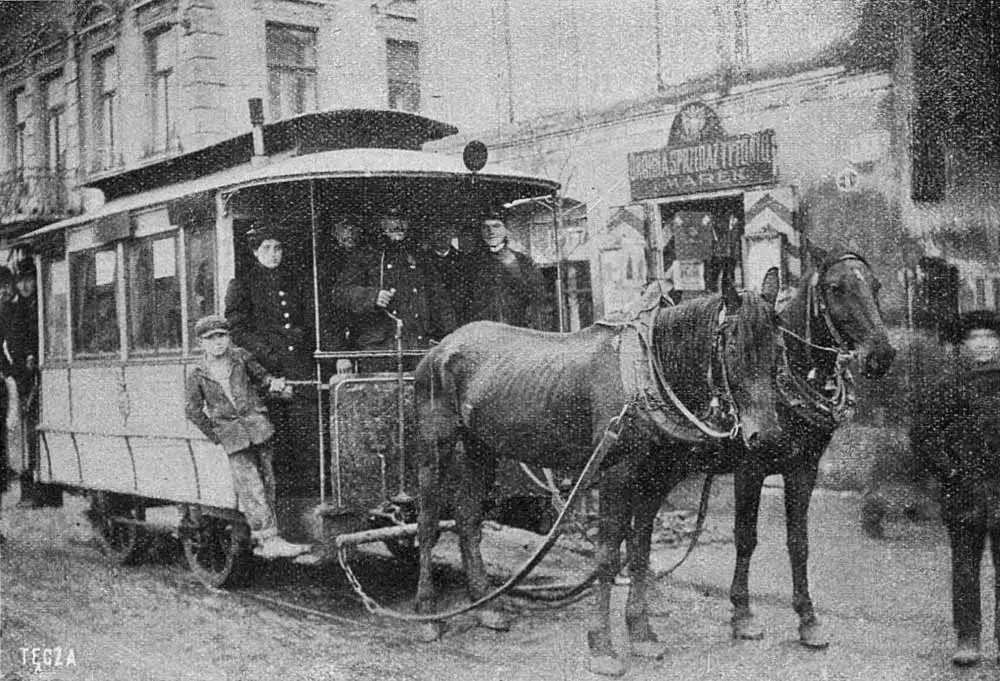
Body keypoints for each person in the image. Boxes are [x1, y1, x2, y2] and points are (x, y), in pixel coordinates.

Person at [911, 310, 1000, 666]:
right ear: (963, 346)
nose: (982, 345)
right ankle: (967, 638)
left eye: (989, 338)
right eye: (974, 339)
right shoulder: (948, 386)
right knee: (965, 566)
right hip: (964, 492)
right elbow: (922, 436)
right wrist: (951, 472)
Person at [185, 315, 310, 559]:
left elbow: (262, 377)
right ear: (201, 343)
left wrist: (273, 383)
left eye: (222, 336)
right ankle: (267, 538)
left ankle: (272, 537)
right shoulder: (198, 374)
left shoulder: (241, 357)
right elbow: (192, 410)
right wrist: (217, 434)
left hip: (258, 428)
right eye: (211, 339)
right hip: (234, 438)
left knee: (269, 481)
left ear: (229, 338)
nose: (218, 343)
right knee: (251, 487)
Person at [332, 207, 456, 355]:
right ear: (382, 224)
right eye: (392, 219)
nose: (398, 225)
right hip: (378, 347)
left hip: (418, 343)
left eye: (402, 220)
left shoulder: (420, 257)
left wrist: (449, 338)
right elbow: (340, 293)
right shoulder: (366, 255)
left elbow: (440, 301)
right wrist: (371, 296)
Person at [4, 259, 61, 509]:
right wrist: (13, 369)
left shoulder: (45, 303)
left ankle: (49, 490)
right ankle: (29, 489)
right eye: (21, 281)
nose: (25, 285)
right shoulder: (12, 310)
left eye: (29, 279)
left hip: (42, 372)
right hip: (23, 378)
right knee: (27, 433)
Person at [465, 212, 548, 329]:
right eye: (485, 227)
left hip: (516, 329)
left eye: (496, 226)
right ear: (480, 232)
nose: (491, 231)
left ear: (506, 230)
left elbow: (537, 295)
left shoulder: (522, 261)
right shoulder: (469, 262)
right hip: (483, 331)